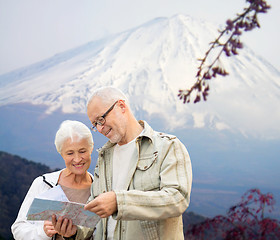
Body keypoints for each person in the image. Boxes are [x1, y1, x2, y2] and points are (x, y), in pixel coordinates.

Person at [53, 86, 192, 240]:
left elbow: (177, 199)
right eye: (95, 124)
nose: (99, 128)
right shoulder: (104, 157)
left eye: (101, 119)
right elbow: (93, 217)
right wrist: (73, 232)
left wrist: (119, 202)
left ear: (121, 106)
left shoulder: (167, 147)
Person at [11, 120, 94, 240]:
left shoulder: (100, 188)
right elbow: (18, 229)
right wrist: (43, 232)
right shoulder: (43, 184)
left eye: (82, 151)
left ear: (91, 148)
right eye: (70, 153)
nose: (77, 159)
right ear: (61, 154)